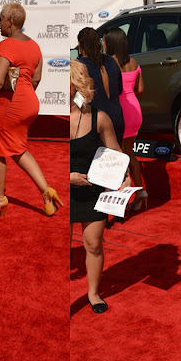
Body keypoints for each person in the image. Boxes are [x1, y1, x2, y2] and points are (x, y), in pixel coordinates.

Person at [0, 2, 63, 218]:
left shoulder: (6, 46)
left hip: (8, 103)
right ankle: (46, 192)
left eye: (0, 20)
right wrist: (24, 98)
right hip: (29, 102)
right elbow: (36, 79)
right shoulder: (35, 46)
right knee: (18, 149)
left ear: (10, 22)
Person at [70, 60, 129, 314]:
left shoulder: (99, 118)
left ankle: (93, 293)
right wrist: (67, 177)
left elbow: (116, 152)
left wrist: (125, 178)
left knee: (93, 243)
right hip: (63, 190)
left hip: (92, 190)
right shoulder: (56, 119)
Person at [102, 27, 147, 211]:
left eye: (104, 40)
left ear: (110, 42)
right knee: (128, 153)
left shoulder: (108, 63)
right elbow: (141, 89)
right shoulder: (133, 61)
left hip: (118, 111)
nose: (102, 44)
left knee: (116, 156)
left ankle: (120, 198)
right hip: (134, 109)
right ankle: (141, 192)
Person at [77, 27, 125, 145]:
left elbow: (78, 101)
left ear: (79, 45)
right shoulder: (111, 61)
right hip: (116, 118)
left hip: (94, 124)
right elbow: (119, 89)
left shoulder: (80, 66)